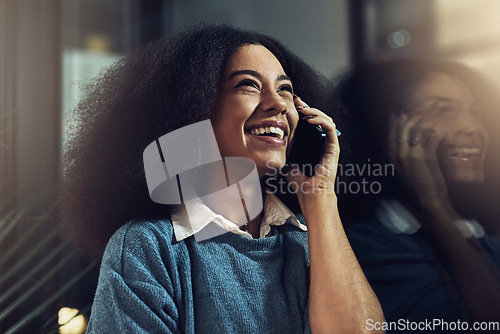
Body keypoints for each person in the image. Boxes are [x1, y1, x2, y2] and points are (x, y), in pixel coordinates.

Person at [59, 24, 383, 333]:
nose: (278, 104)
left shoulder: (311, 241)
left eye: (286, 89)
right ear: (195, 108)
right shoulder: (149, 247)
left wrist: (321, 198)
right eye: (248, 85)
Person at [336, 59, 500, 332]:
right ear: (385, 127)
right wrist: (433, 204)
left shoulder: (485, 235)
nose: (473, 128)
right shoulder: (363, 247)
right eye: (445, 110)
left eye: (475, 113)